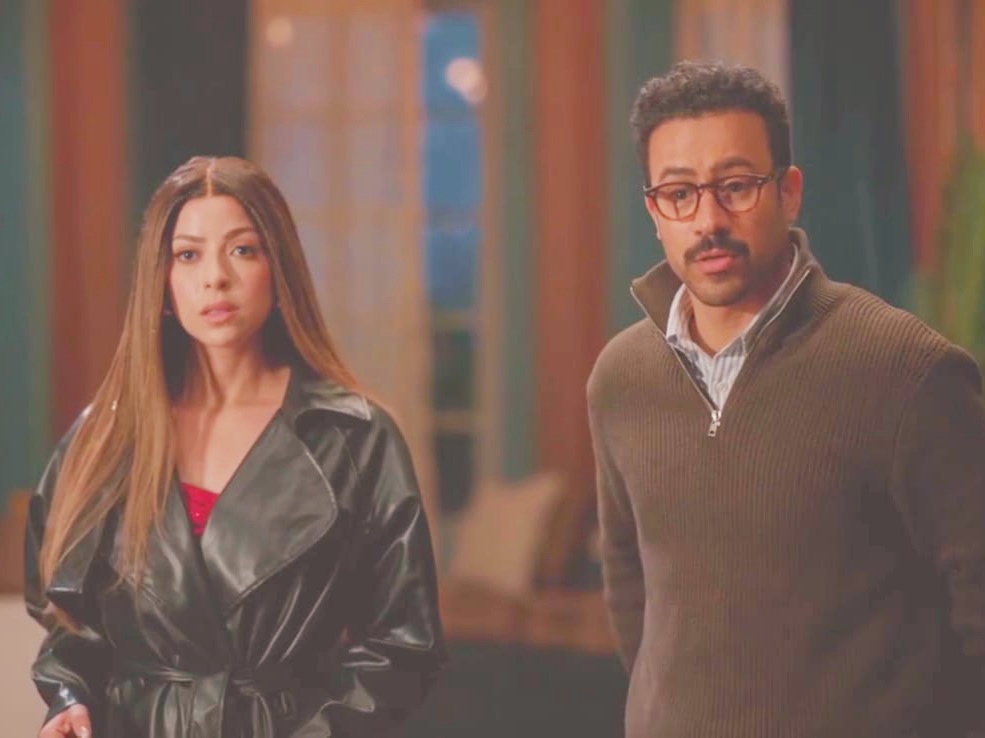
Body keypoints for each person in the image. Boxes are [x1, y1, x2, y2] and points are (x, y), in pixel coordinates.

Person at [587, 60, 985, 737]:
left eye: (736, 186)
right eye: (679, 193)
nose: (708, 219)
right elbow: (632, 587)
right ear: (654, 211)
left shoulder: (907, 371)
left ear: (789, 192)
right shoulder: (620, 379)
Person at [24, 156, 446, 738]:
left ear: (280, 268)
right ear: (161, 281)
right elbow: (70, 623)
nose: (215, 277)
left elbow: (404, 649)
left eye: (243, 250)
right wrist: (68, 698)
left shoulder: (355, 437)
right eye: (188, 255)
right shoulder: (103, 441)